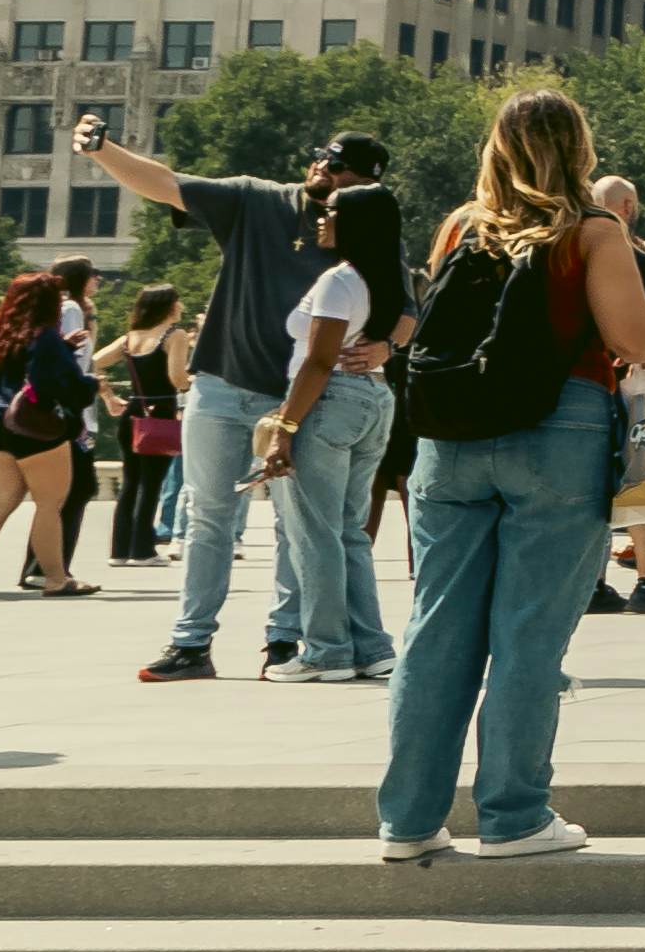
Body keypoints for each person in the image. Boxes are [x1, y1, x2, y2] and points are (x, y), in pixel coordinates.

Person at [377, 89, 645, 863]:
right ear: (580, 150)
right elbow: (635, 341)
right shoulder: (593, 231)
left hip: (451, 434)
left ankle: (407, 820)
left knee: (436, 629)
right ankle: (511, 814)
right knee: (529, 634)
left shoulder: (459, 228)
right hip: (558, 428)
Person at [85, 117, 394, 683]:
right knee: (208, 517)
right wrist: (102, 149)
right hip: (222, 385)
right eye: (322, 157)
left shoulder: (362, 233)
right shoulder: (256, 200)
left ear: (362, 184)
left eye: (340, 167)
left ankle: (284, 638)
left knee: (294, 525)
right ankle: (191, 642)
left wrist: (388, 344)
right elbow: (164, 183)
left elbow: (406, 304)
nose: (324, 170)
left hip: (300, 399)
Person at [247, 184, 410, 681]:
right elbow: (408, 320)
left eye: (332, 212)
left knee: (314, 534)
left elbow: (318, 360)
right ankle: (372, 646)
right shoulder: (385, 275)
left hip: (330, 402)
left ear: (355, 224)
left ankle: (326, 651)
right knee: (348, 534)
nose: (321, 217)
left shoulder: (340, 281)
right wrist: (385, 347)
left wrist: (285, 428)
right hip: (375, 401)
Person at [0, 263, 101, 597]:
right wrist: (90, 383)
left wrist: (64, 349)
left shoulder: (1, 337)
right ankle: (57, 579)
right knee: (49, 505)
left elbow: (23, 372)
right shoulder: (45, 336)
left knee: (2, 503)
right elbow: (56, 383)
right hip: (37, 429)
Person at [96, 281, 193, 568]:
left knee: (131, 482)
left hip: (133, 411)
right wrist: (195, 382)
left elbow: (94, 362)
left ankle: (120, 549)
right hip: (160, 412)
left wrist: (108, 395)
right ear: (168, 305)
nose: (181, 306)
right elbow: (177, 379)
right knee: (151, 484)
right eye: (178, 301)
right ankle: (142, 550)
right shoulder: (174, 335)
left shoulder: (130, 338)